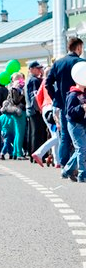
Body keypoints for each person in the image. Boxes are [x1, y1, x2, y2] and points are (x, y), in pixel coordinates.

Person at [46, 36, 83, 171]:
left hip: (63, 104)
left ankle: (64, 164)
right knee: (81, 134)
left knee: (65, 136)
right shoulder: (81, 63)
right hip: (79, 103)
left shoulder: (58, 63)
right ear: (78, 47)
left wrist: (56, 97)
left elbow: (47, 83)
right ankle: (78, 165)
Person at [61, 79, 86, 182]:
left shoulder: (83, 94)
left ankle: (67, 171)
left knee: (81, 149)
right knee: (81, 149)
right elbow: (70, 112)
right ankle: (82, 175)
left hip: (82, 124)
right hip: (75, 125)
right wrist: (82, 107)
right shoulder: (73, 95)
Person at [25, 61, 46, 159]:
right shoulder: (34, 80)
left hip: (31, 109)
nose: (39, 70)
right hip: (35, 110)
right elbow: (35, 96)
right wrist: (39, 109)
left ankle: (32, 153)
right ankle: (37, 154)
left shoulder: (30, 80)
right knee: (38, 133)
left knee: (33, 132)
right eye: (37, 68)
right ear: (31, 69)